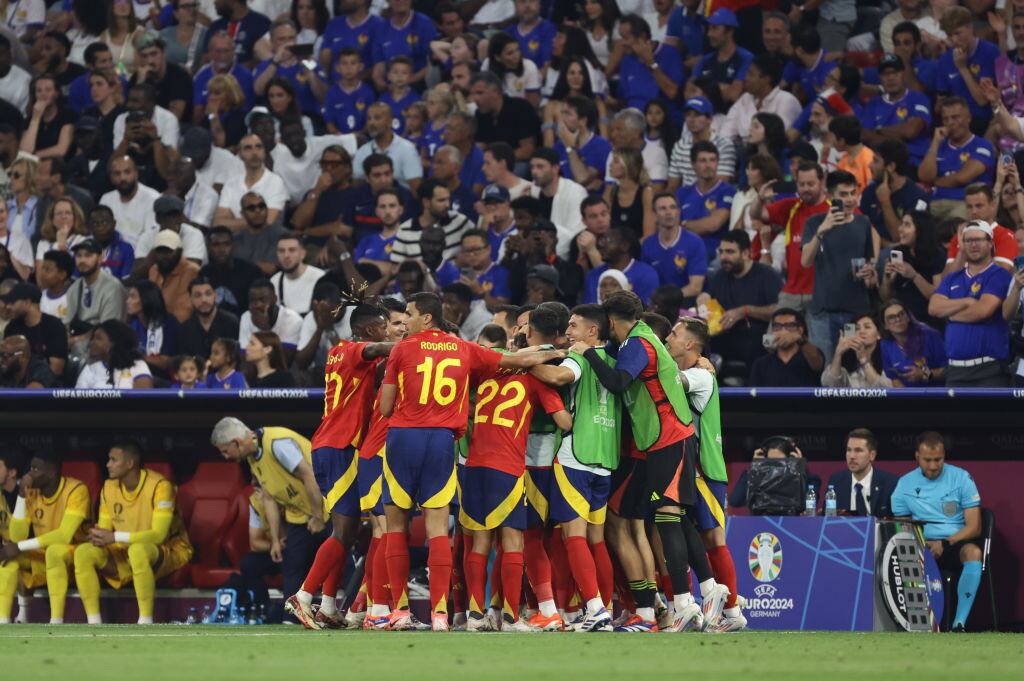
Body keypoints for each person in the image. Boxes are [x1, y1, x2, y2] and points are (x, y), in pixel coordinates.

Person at [378, 292, 563, 631]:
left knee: (396, 526)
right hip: (441, 441)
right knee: (438, 530)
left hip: (404, 438)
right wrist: (558, 352)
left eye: (409, 314)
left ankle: (400, 611)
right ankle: (440, 615)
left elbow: (386, 407)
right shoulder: (464, 348)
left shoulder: (402, 349)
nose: (404, 322)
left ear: (427, 318)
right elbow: (517, 360)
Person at [571, 291, 726, 633]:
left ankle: (684, 603)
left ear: (611, 320)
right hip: (662, 441)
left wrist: (587, 353)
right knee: (675, 520)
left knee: (667, 521)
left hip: (669, 439)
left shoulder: (639, 343)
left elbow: (617, 382)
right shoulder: (633, 342)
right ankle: (707, 589)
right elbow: (612, 358)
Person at [458, 324, 575, 633]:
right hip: (507, 466)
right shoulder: (535, 379)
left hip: (475, 465)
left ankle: (474, 616)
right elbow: (564, 422)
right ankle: (510, 618)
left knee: (479, 543)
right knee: (512, 542)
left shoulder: (488, 372)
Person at [284, 303, 392, 629]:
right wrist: (419, 346)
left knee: (347, 530)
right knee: (344, 532)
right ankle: (303, 595)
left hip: (332, 444)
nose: (388, 332)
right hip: (340, 446)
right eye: (384, 327)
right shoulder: (353, 349)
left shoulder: (339, 354)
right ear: (369, 330)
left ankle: (328, 605)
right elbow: (377, 349)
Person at [664, 317, 744, 632]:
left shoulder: (699, 376)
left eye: (674, 334)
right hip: (688, 468)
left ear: (690, 344)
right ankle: (688, 606)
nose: (668, 338)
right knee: (683, 534)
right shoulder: (695, 371)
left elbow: (669, 380)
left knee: (713, 538)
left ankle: (733, 612)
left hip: (704, 470)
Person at [211, 417, 327, 624]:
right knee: (292, 567)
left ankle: (353, 612)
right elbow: (269, 498)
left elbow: (309, 476)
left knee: (342, 561)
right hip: (299, 516)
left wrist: (318, 516)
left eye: (226, 451)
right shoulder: (252, 458)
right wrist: (274, 540)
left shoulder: (277, 444)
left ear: (237, 442)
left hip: (327, 509)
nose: (226, 457)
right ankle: (292, 619)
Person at [73, 442, 192, 625]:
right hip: (125, 549)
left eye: (113, 460)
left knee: (138, 551)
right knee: (83, 552)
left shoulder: (160, 486)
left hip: (169, 550)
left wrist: (114, 536)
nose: (108, 464)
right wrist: (98, 536)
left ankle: (145, 621)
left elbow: (159, 535)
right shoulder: (109, 487)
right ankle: (94, 622)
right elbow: (105, 532)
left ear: (129, 463)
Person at [892, 431, 983, 631]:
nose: (933, 466)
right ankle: (915, 624)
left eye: (938, 459)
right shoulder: (904, 484)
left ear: (944, 456)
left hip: (953, 543)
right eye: (927, 460)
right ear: (917, 456)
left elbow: (974, 527)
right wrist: (922, 544)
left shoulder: (962, 478)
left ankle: (959, 623)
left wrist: (945, 542)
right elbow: (901, 527)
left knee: (974, 553)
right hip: (920, 545)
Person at [0, 450, 89, 625]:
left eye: (35, 469)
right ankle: (3, 621)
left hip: (74, 556)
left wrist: (19, 547)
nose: (29, 474)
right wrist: (21, 495)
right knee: (7, 561)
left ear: (51, 472)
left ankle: (56, 621)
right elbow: (17, 535)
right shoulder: (32, 493)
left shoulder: (76, 489)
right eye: (30, 468)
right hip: (43, 555)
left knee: (54, 551)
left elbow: (64, 535)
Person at [801, 170, 881, 363]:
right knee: (826, 368)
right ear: (830, 196)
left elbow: (870, 270)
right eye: (843, 194)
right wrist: (821, 232)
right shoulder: (815, 223)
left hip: (856, 313)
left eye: (853, 193)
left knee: (856, 365)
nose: (850, 199)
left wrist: (870, 273)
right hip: (824, 312)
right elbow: (805, 261)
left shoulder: (863, 223)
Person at [929, 221, 1013, 387]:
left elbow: (982, 311)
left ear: (990, 243)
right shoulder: (952, 278)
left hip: (989, 370)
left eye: (978, 239)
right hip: (955, 370)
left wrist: (950, 314)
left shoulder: (999, 275)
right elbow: (934, 308)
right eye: (968, 240)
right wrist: (967, 301)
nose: (973, 245)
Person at [699, 231, 783, 369]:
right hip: (725, 337)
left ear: (745, 253)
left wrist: (745, 311)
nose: (723, 257)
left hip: (758, 339)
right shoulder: (721, 275)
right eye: (721, 252)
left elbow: (780, 310)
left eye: (730, 252)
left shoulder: (767, 275)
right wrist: (703, 300)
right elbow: (707, 297)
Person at [919, 97, 995, 221]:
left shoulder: (982, 145)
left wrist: (935, 182)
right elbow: (924, 176)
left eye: (955, 117)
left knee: (954, 220)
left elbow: (962, 178)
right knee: (914, 216)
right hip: (935, 202)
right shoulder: (939, 146)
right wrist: (935, 143)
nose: (950, 123)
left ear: (968, 118)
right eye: (946, 119)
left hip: (965, 203)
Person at [860, 54, 932, 168]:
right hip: (882, 164)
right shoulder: (873, 104)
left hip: (913, 163)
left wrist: (879, 130)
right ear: (880, 77)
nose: (891, 78)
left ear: (903, 74)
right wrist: (898, 138)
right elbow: (866, 136)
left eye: (895, 73)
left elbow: (910, 131)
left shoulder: (918, 98)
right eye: (886, 74)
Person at [879, 211, 946, 328]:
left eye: (907, 225)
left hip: (930, 321)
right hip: (903, 320)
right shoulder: (898, 253)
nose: (900, 229)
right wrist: (887, 280)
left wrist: (914, 276)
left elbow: (938, 296)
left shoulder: (937, 255)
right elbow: (885, 298)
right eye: (902, 224)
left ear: (920, 229)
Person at [615, 14, 684, 127]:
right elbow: (623, 98)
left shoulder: (669, 53)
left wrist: (651, 63)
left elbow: (672, 93)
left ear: (642, 37)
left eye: (626, 38)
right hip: (632, 123)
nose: (622, 43)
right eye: (621, 38)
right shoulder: (627, 60)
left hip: (662, 124)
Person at [860, 140, 931, 245]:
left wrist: (885, 202)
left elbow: (900, 238)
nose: (870, 165)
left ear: (891, 167)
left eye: (876, 161)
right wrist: (883, 243)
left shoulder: (917, 197)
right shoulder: (869, 191)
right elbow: (860, 231)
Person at [721, 53, 801, 144]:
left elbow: (779, 139)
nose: (745, 78)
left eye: (751, 74)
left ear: (766, 79)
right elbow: (725, 134)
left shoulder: (786, 100)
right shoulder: (745, 98)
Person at [676, 141, 737, 259]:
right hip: (683, 252)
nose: (708, 165)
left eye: (712, 160)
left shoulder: (727, 191)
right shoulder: (683, 193)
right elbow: (670, 227)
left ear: (717, 163)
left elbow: (713, 225)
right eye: (703, 161)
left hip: (715, 253)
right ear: (693, 165)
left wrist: (683, 224)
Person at [640, 192, 707, 300]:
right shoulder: (647, 245)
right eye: (662, 208)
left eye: (672, 207)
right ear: (654, 215)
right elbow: (645, 282)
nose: (668, 212)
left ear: (678, 212)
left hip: (685, 301)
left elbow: (695, 287)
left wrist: (667, 299)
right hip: (656, 303)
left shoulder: (695, 242)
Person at [215, 134, 288, 231]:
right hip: (235, 239)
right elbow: (218, 223)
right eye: (248, 148)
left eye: (258, 147)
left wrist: (233, 221)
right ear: (240, 154)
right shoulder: (230, 184)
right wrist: (255, 221)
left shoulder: (275, 182)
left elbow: (268, 222)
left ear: (264, 152)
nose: (254, 152)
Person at [390, 178, 472, 265]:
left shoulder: (460, 221)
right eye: (441, 200)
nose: (447, 205)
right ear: (426, 202)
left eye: (448, 199)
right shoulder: (405, 230)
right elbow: (396, 267)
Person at [727, 440, 822, 511]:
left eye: (780, 462)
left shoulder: (810, 479)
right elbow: (735, 501)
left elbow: (807, 505)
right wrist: (755, 467)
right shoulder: (756, 477)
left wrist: (799, 468)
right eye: (770, 461)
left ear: (791, 459)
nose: (775, 466)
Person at [667, 96, 737, 193]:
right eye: (688, 115)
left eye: (697, 115)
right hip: (686, 197)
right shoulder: (680, 145)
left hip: (715, 197)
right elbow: (672, 186)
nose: (692, 120)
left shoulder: (724, 145)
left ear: (709, 119)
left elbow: (721, 183)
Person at [470, 71, 541, 166]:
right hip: (493, 162)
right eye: (472, 94)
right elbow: (480, 145)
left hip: (521, 162)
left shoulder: (520, 107)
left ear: (495, 91)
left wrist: (498, 161)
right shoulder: (480, 113)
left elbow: (528, 150)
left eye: (480, 93)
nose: (475, 99)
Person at [528, 148, 588, 260]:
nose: (534, 172)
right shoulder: (532, 190)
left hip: (564, 257)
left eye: (540, 167)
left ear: (555, 168)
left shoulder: (575, 192)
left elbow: (574, 234)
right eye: (532, 167)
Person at [825, 429, 899, 518]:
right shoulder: (836, 482)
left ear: (872, 455)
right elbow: (827, 518)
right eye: (849, 450)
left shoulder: (890, 483)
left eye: (858, 450)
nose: (852, 456)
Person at [65, 239, 128, 341]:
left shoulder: (113, 288)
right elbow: (66, 322)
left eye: (88, 255)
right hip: (76, 344)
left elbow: (108, 330)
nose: (82, 260)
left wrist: (76, 340)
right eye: (79, 256)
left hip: (103, 344)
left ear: (100, 258)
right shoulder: (75, 287)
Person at [2, 282, 68, 378]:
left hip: (45, 384)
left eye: (12, 303)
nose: (8, 307)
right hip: (14, 382)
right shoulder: (12, 327)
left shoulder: (54, 326)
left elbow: (56, 369)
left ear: (27, 303)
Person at [351, 102, 422, 191]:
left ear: (390, 122)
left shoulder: (407, 149)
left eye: (377, 118)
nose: (371, 123)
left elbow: (416, 189)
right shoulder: (362, 152)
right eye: (369, 119)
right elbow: (356, 189)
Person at [99, 156, 161, 256]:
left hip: (140, 256)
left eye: (127, 172)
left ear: (136, 173)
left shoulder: (153, 198)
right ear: (111, 177)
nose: (122, 178)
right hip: (110, 255)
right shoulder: (106, 199)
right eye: (117, 174)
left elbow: (150, 238)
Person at [748, 307, 825, 387]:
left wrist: (801, 340)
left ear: (800, 330)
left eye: (789, 326)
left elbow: (817, 364)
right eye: (777, 326)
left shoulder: (810, 356)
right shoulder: (761, 364)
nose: (783, 331)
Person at [584, 227, 659, 305]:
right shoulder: (593, 275)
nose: (602, 245)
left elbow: (647, 309)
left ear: (625, 246)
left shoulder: (647, 274)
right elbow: (587, 308)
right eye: (602, 240)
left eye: (608, 241)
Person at [880, 300, 947, 387]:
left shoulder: (929, 335)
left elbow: (948, 371)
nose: (898, 319)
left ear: (908, 318)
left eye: (901, 314)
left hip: (936, 392)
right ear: (885, 325)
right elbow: (894, 378)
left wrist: (924, 374)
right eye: (891, 317)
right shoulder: (885, 345)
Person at [199, 226, 263, 316]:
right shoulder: (203, 274)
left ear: (233, 246)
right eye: (216, 245)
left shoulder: (251, 272)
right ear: (208, 247)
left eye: (226, 244)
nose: (221, 250)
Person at [553, 95, 611, 193]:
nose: (561, 119)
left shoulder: (600, 145)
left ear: (583, 121)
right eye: (561, 113)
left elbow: (582, 178)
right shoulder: (558, 146)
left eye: (567, 114)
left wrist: (569, 148)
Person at [130, 32, 192, 122]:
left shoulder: (179, 76)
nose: (149, 61)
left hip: (178, 127)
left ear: (163, 53)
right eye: (144, 56)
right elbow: (131, 114)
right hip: (144, 126)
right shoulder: (138, 77)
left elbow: (174, 117)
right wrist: (140, 84)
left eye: (154, 54)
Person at [239, 278, 303, 364]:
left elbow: (284, 362)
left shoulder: (292, 320)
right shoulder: (246, 317)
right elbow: (244, 358)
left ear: (275, 299)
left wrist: (264, 329)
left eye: (263, 300)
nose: (257, 305)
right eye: (253, 300)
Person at [821, 312, 893, 388]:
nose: (861, 331)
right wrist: (838, 353)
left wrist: (863, 359)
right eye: (857, 329)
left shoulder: (889, 358)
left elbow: (885, 389)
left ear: (879, 334)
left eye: (867, 327)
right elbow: (830, 384)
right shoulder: (847, 362)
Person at [695, 9, 752, 105]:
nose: (709, 34)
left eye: (714, 28)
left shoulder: (746, 58)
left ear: (729, 32)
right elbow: (689, 91)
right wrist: (722, 87)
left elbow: (734, 94)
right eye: (709, 29)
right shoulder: (705, 60)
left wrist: (705, 89)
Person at [75, 320, 154, 389]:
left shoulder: (137, 365)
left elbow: (143, 398)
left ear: (114, 343)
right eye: (92, 338)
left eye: (98, 338)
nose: (92, 342)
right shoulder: (90, 368)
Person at [126, 279, 180, 375]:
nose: (127, 301)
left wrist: (137, 357)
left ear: (146, 299)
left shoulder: (167, 323)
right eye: (128, 297)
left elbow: (166, 363)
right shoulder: (132, 324)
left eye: (133, 297)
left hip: (165, 377)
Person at [179, 276, 239, 360]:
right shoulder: (185, 329)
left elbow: (238, 356)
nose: (204, 300)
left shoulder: (231, 323)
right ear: (190, 299)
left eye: (208, 294)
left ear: (215, 296)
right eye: (197, 295)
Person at [148, 230, 200, 324]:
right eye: (160, 251)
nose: (163, 256)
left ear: (180, 251)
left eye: (169, 251)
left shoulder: (192, 271)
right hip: (154, 324)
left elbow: (184, 313)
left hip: (179, 327)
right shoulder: (154, 270)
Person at [604, 147, 655, 241]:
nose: (610, 165)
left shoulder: (646, 193)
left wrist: (630, 249)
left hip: (639, 246)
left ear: (628, 165)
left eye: (616, 161)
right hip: (614, 246)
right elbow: (605, 227)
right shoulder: (611, 191)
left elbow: (649, 234)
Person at [323, 48, 376, 135]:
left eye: (353, 63)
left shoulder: (368, 92)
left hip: (364, 138)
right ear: (337, 68)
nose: (349, 68)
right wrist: (342, 138)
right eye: (344, 63)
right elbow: (329, 123)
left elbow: (372, 121)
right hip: (340, 139)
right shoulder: (331, 93)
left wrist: (359, 135)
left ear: (360, 67)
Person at [20, 74, 74, 161]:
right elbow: (26, 151)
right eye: (39, 90)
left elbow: (61, 150)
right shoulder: (29, 120)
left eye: (48, 90)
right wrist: (35, 119)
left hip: (60, 163)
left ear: (56, 93)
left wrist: (34, 155)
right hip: (35, 164)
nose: (43, 94)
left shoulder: (67, 116)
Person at [37, 250, 74, 324]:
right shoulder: (39, 297)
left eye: (47, 270)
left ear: (62, 275)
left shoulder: (71, 300)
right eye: (42, 268)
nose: (42, 273)